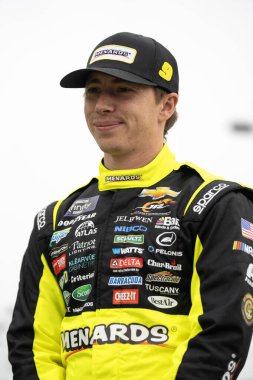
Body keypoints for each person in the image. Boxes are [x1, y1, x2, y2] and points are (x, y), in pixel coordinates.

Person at [7, 32, 253, 380]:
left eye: (122, 90)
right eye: (93, 90)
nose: (102, 104)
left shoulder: (212, 203)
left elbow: (224, 330)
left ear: (166, 106)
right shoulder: (55, 219)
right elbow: (32, 343)